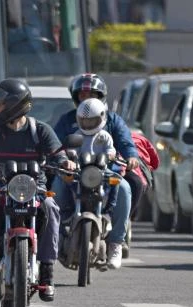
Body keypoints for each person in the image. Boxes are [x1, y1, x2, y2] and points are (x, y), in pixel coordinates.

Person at [0, 78, 71, 302]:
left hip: (34, 187)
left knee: (51, 207)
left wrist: (65, 162)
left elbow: (57, 153)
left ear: (14, 106)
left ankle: (47, 272)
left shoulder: (39, 130)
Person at [52, 73, 138, 270]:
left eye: (92, 94)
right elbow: (55, 145)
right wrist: (63, 159)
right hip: (74, 172)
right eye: (82, 95)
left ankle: (116, 242)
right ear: (76, 98)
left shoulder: (113, 120)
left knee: (124, 189)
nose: (87, 99)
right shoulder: (67, 121)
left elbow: (126, 142)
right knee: (56, 185)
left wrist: (131, 157)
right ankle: (58, 232)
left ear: (102, 97)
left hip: (106, 173)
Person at [71, 98, 118, 216]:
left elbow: (110, 150)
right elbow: (72, 149)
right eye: (84, 121)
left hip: (101, 170)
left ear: (101, 118)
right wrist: (70, 154)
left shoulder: (104, 136)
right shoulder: (77, 135)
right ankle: (68, 209)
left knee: (116, 181)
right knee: (65, 182)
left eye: (91, 121)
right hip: (80, 170)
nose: (87, 124)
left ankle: (109, 209)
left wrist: (110, 155)